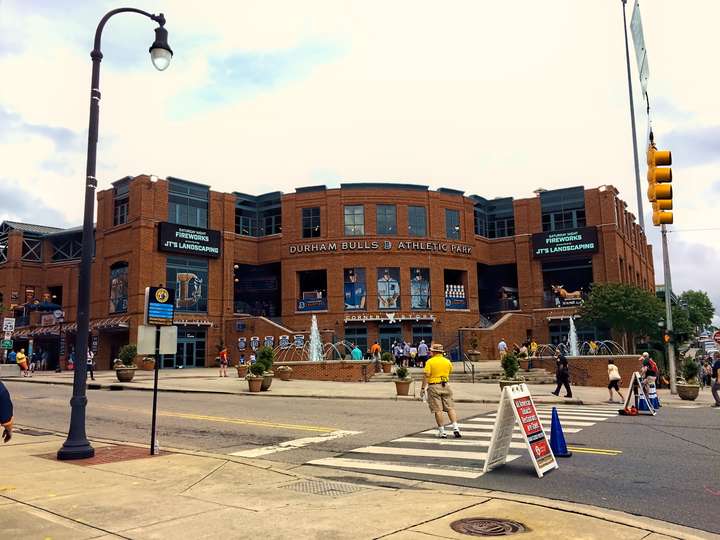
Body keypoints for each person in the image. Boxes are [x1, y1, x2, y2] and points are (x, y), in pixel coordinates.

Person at [420, 343, 461, 439]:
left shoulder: (430, 362)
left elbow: (426, 375)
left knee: (438, 410)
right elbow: (450, 371)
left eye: (431, 351)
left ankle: (442, 431)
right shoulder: (447, 361)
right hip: (445, 384)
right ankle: (456, 428)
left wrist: (423, 388)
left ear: (434, 352)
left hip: (434, 386)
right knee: (450, 407)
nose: (430, 352)